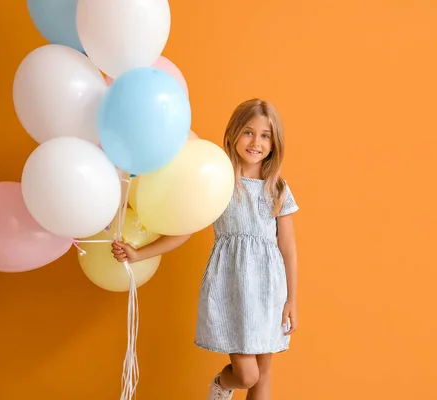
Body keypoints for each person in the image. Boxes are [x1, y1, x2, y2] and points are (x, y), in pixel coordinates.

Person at [111, 98, 300, 400]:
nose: (256, 142)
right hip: (232, 285)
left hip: (269, 288)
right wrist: (139, 254)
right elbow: (185, 230)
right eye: (249, 132)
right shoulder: (221, 178)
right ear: (234, 132)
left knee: (264, 372)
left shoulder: (277, 188)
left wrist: (292, 299)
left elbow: (287, 247)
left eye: (265, 135)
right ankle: (222, 386)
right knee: (246, 375)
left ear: (274, 142)